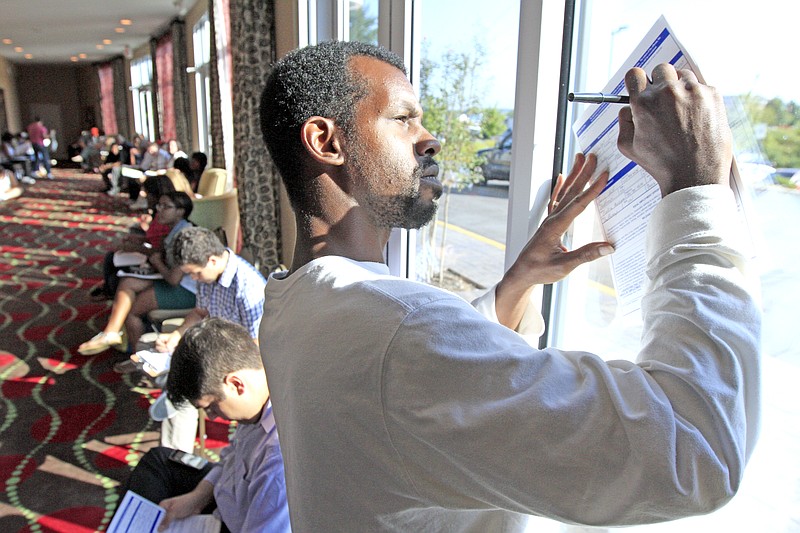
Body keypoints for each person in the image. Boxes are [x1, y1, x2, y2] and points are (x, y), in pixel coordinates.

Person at [257, 41, 761, 531]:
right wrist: (696, 185)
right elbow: (696, 452)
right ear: (327, 142)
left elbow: (401, 391)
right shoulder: (397, 332)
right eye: (403, 118)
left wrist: (518, 283)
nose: (430, 138)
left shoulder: (290, 303)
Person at [120, 318, 290, 533]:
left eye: (212, 408)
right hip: (229, 498)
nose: (212, 417)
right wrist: (198, 497)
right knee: (159, 460)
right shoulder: (258, 400)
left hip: (240, 522)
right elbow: (232, 457)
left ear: (236, 385)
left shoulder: (279, 461)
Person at [149, 226, 267, 452]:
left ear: (212, 260)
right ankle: (174, 449)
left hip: (240, 364)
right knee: (169, 366)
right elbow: (200, 313)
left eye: (195, 273)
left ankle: (175, 453)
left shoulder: (248, 286)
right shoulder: (208, 278)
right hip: (215, 350)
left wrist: (209, 365)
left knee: (186, 390)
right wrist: (177, 335)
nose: (193, 278)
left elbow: (257, 347)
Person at [78, 191, 197, 355]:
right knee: (127, 282)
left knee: (132, 311)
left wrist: (156, 262)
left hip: (188, 290)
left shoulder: (185, 237)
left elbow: (173, 279)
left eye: (166, 207)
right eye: (159, 205)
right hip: (180, 282)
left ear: (181, 211)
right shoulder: (177, 230)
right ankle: (112, 334)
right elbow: (162, 255)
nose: (159, 210)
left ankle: (137, 356)